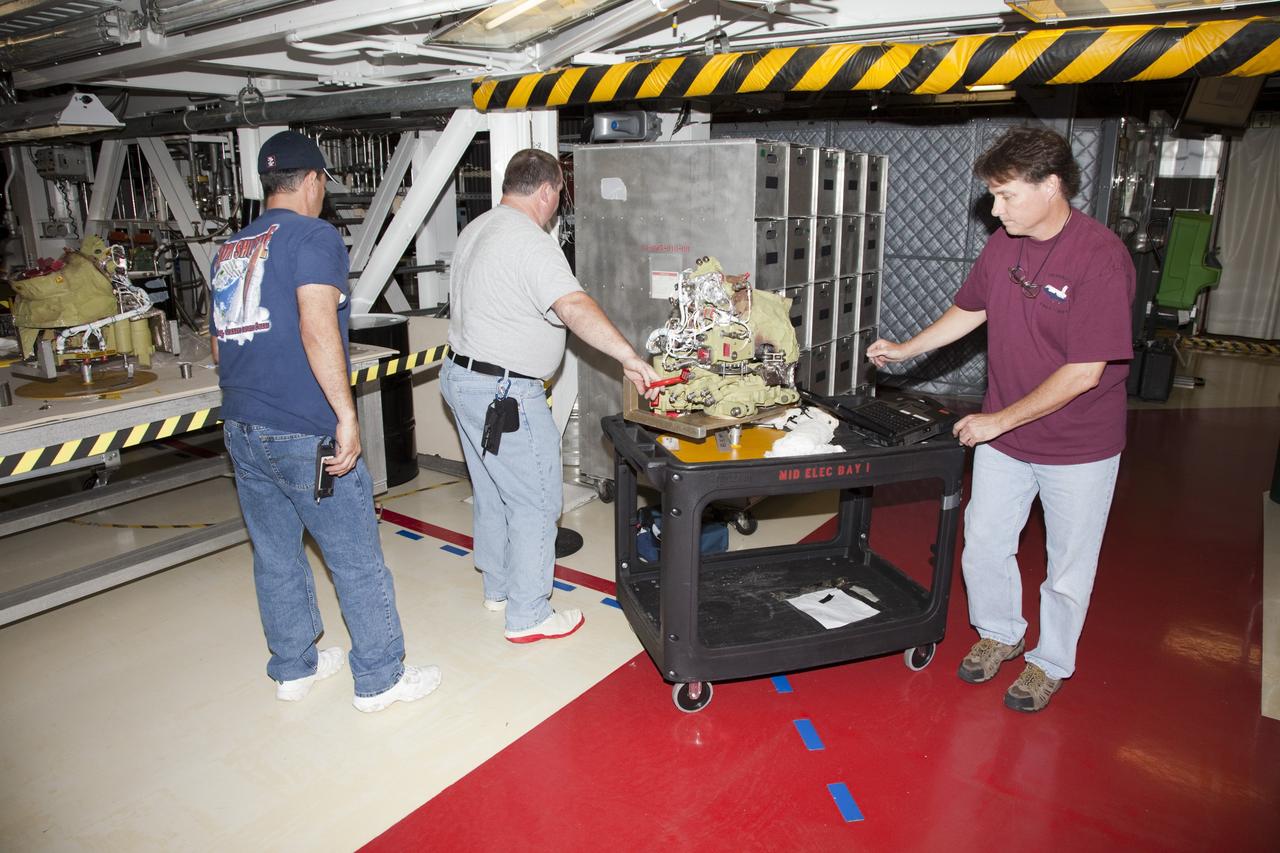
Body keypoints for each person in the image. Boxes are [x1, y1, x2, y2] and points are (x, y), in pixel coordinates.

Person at [867, 126, 1134, 712]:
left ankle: (1050, 662)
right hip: (1008, 435)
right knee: (984, 544)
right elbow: (971, 308)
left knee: (1067, 568)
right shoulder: (1004, 242)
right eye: (993, 194)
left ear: (1053, 187)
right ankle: (1000, 632)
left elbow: (1084, 372)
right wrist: (907, 348)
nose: (996, 208)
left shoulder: (1099, 259)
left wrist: (997, 422)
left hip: (1078, 445)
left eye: (1008, 194)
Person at [211, 130, 439, 712]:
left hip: (241, 423)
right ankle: (380, 678)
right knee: (356, 558)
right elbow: (318, 327)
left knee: (275, 553)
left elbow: (220, 349)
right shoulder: (314, 236)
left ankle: (293, 668)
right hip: (301, 429)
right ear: (312, 181)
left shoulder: (232, 247)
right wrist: (345, 416)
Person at [441, 148, 660, 643]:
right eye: (560, 192)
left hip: (461, 381)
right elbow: (574, 306)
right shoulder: (532, 243)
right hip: (505, 395)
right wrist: (628, 356)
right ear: (546, 191)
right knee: (538, 501)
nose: (559, 202)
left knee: (496, 492)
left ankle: (497, 589)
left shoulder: (477, 229)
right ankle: (529, 613)